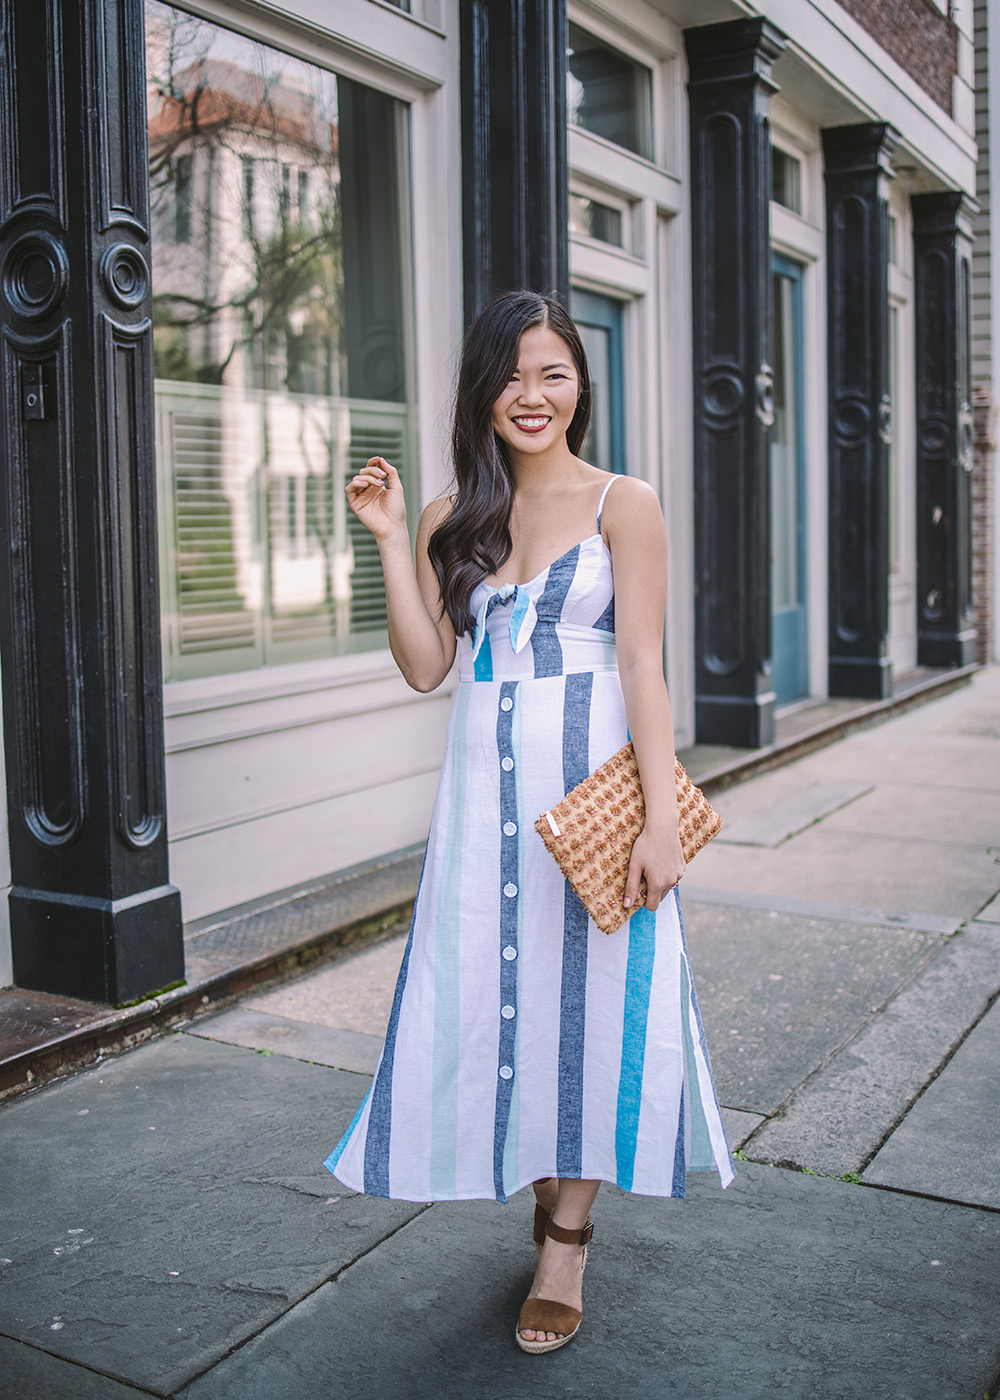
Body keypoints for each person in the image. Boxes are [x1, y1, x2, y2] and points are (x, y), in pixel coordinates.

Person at [324, 289, 734, 1354]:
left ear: (579, 386)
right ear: (482, 389)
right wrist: (385, 537)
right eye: (511, 374)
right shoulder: (447, 515)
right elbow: (426, 667)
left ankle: (565, 1236)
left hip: (594, 792)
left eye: (552, 371)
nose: (532, 393)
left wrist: (657, 814)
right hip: (482, 802)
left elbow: (641, 662)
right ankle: (538, 1177)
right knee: (502, 995)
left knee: (595, 1003)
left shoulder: (622, 503)